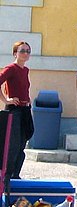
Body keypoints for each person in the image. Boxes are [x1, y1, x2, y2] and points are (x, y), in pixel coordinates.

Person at [0, 41, 34, 180]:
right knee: (12, 145)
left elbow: (23, 88)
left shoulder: (25, 70)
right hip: (14, 110)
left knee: (22, 143)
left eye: (28, 51)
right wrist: (6, 100)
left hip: (25, 110)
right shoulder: (11, 68)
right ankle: (7, 176)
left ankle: (16, 175)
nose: (25, 53)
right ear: (15, 53)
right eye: (22, 51)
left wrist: (28, 99)